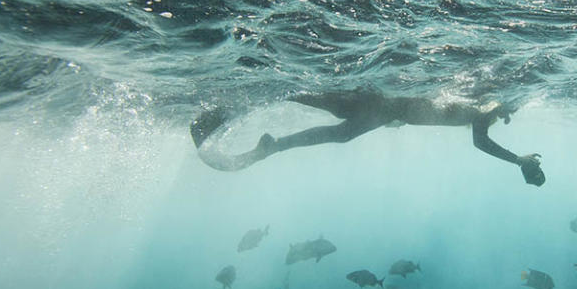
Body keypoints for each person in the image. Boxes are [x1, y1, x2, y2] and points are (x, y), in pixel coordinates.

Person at [190, 90, 545, 186]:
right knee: (311, 98)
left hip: (386, 110)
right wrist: (518, 160)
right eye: (510, 110)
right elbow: (480, 140)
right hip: (382, 104)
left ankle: (268, 142)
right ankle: (253, 116)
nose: (508, 116)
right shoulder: (486, 107)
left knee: (323, 112)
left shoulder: (487, 107)